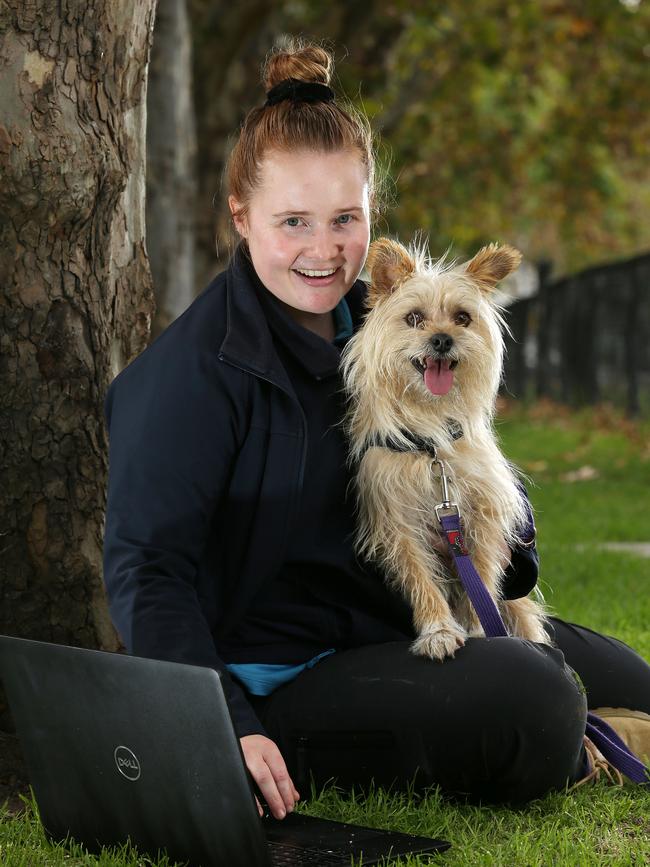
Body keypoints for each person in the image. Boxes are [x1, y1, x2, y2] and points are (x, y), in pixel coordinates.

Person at [103, 40, 650, 820]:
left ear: (371, 217)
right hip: (290, 672)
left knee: (631, 676)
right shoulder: (192, 375)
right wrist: (224, 722)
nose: (322, 250)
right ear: (240, 216)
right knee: (533, 699)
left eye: (344, 220)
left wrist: (494, 532)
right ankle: (587, 742)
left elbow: (479, 486)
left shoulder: (391, 320)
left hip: (415, 618)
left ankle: (599, 720)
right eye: (292, 221)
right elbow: (144, 571)